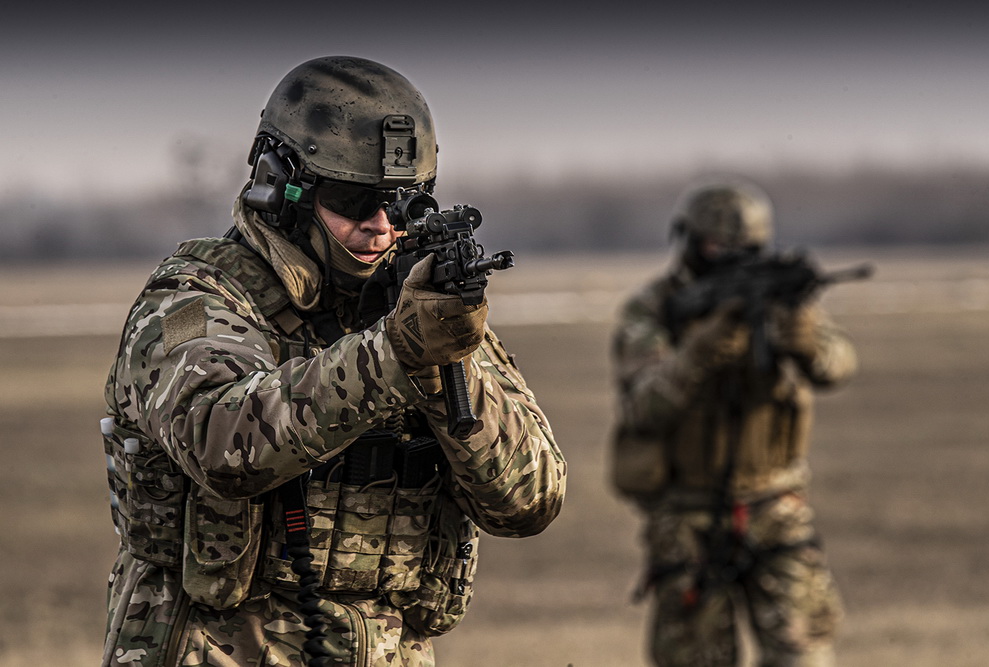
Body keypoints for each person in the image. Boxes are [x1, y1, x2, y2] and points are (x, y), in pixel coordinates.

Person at [100, 56, 566, 667]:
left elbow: (530, 499)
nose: (380, 227)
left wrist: (445, 367)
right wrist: (394, 354)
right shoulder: (190, 302)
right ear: (281, 186)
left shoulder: (418, 309)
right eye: (353, 200)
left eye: (402, 204)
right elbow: (222, 445)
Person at [610, 179, 855, 666]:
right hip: (685, 513)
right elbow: (643, 407)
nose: (731, 257)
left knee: (805, 655)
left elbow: (838, 365)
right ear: (690, 241)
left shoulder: (778, 295)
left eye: (746, 248)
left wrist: (805, 340)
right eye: (717, 246)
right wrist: (697, 354)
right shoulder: (654, 308)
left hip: (775, 502)